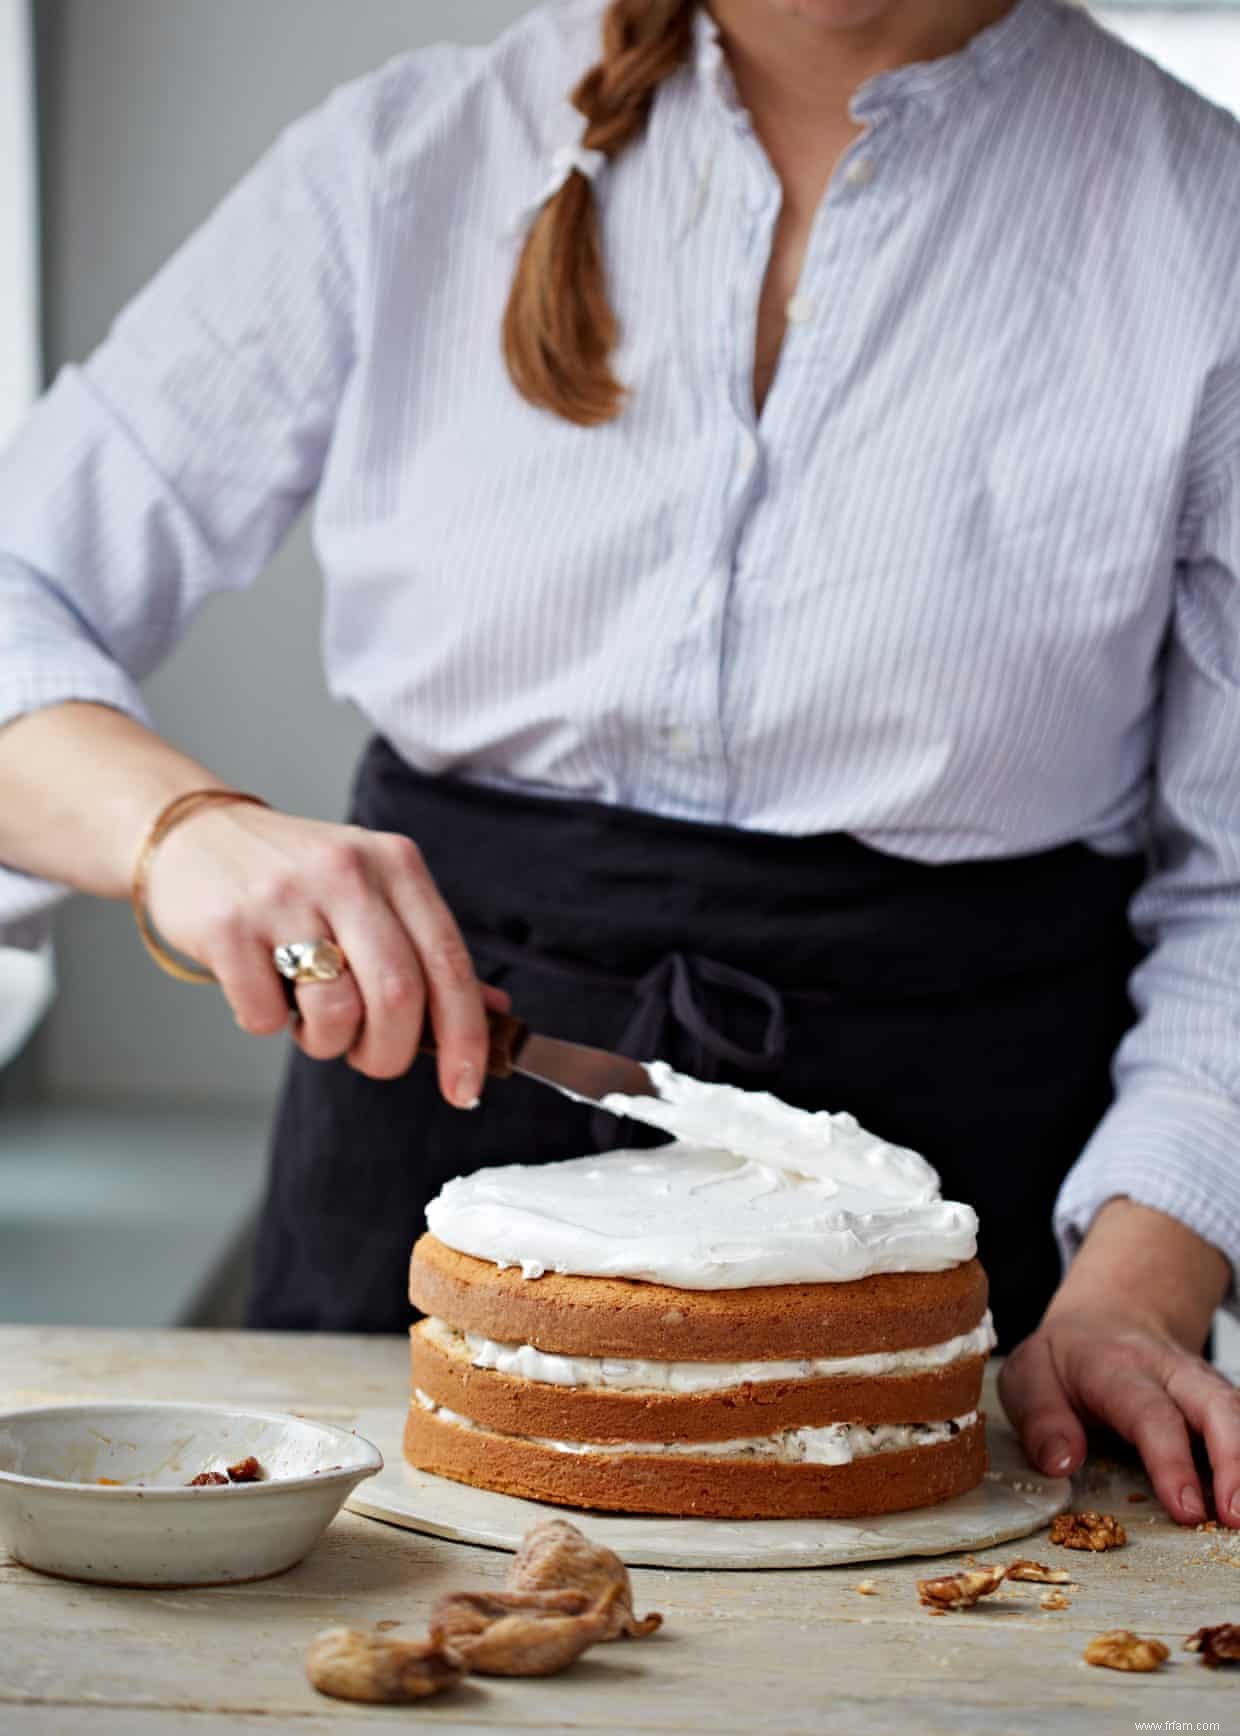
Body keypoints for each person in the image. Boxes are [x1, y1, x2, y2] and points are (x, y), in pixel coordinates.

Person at [1, 0, 1239, 1525]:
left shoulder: (1210, 229)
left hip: (961, 1290)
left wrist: (1136, 1292)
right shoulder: (409, 157)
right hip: (420, 1179)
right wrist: (176, 829)